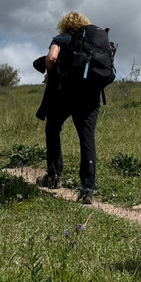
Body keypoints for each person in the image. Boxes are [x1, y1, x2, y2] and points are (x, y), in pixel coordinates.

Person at [36, 11, 101, 204]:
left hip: (63, 94)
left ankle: (54, 176)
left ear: (64, 24)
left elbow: (52, 57)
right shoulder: (93, 42)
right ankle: (87, 188)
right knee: (86, 137)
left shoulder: (61, 38)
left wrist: (48, 70)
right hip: (90, 95)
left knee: (53, 129)